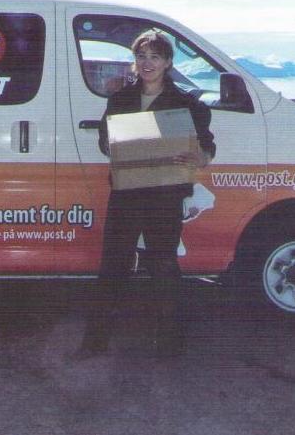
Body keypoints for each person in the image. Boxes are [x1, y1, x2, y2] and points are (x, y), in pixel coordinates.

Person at [80, 29, 216, 356]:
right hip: (126, 195)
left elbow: (207, 147)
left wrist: (200, 156)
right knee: (112, 266)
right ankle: (93, 344)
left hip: (165, 198)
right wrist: (120, 143)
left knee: (164, 268)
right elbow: (103, 142)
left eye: (155, 57)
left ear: (168, 62)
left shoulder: (187, 104)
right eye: (141, 56)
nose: (147, 63)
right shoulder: (120, 99)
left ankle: (169, 346)